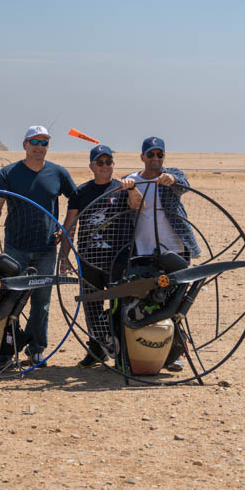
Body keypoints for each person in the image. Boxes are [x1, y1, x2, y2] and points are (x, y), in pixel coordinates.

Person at [0, 125, 76, 365]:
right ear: (24, 145)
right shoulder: (8, 173)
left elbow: (76, 201)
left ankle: (36, 349)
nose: (39, 147)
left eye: (44, 142)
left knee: (41, 302)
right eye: (34, 142)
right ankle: (5, 351)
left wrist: (65, 227)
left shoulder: (58, 173)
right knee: (8, 299)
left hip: (46, 248)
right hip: (15, 247)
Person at [124, 136, 200, 372]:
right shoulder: (132, 179)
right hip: (144, 250)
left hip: (175, 248)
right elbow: (132, 205)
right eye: (151, 154)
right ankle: (146, 349)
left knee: (174, 302)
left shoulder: (172, 174)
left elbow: (183, 185)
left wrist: (172, 179)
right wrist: (130, 188)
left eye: (159, 154)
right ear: (142, 157)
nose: (155, 158)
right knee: (151, 300)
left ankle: (175, 354)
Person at [58, 145, 137, 367]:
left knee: (118, 305)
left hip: (117, 260)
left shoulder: (123, 188)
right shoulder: (81, 192)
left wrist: (132, 188)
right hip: (88, 258)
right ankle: (96, 349)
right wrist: (64, 256)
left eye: (108, 162)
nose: (105, 166)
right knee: (91, 305)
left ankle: (121, 352)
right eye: (100, 162)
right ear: (91, 166)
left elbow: (137, 204)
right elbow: (70, 226)